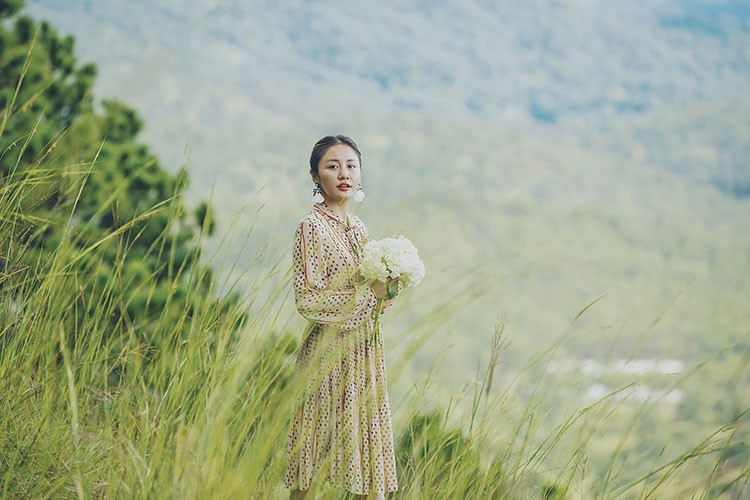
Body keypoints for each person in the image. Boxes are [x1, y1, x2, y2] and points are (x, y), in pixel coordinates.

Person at [285, 135, 398, 499]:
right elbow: (309, 300)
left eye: (350, 165)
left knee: (366, 452)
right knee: (313, 457)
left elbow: (372, 299)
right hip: (325, 358)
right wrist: (369, 296)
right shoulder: (311, 227)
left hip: (364, 355)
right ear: (316, 177)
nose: (343, 173)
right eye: (332, 166)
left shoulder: (359, 230)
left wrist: (387, 291)